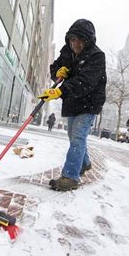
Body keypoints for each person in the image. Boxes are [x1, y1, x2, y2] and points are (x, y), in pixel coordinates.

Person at [38, 19, 106, 191]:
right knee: (73, 136)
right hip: (73, 101)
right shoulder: (67, 52)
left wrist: (61, 91)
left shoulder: (97, 56)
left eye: (81, 40)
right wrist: (56, 73)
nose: (76, 43)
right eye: (73, 39)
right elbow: (55, 67)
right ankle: (85, 164)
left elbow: (86, 81)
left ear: (88, 40)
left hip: (89, 102)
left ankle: (70, 176)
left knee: (77, 136)